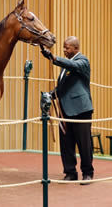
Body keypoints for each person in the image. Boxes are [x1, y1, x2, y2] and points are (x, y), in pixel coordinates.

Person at [41, 36, 94, 184]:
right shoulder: (66, 66)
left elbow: (74, 66)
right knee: (66, 143)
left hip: (81, 110)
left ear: (76, 48)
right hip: (65, 111)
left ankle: (87, 173)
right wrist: (50, 95)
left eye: (67, 47)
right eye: (64, 47)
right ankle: (70, 172)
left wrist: (53, 58)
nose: (64, 50)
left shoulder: (83, 61)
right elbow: (62, 87)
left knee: (84, 144)